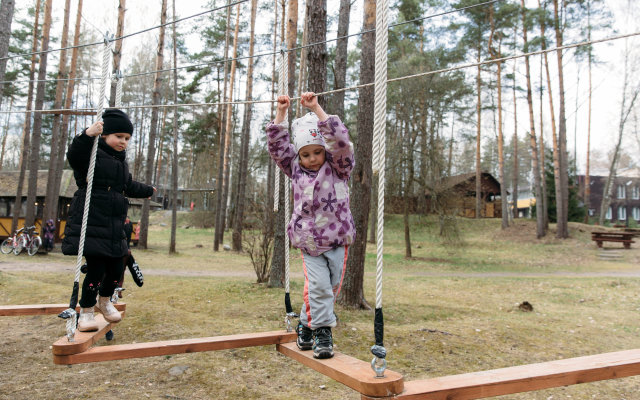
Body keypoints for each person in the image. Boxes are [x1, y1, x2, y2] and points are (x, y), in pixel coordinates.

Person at [265, 92, 355, 359]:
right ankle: (323, 332)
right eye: (305, 154)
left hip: (338, 240)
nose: (312, 158)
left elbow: (341, 143)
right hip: (310, 243)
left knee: (330, 289)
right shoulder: (295, 169)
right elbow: (278, 147)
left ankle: (305, 323)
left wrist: (317, 109)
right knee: (317, 287)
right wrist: (281, 114)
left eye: (317, 152)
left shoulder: (339, 167)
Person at [62, 109, 155, 332]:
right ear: (105, 135)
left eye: (127, 139)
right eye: (119, 137)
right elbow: (74, 155)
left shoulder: (120, 162)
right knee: (96, 270)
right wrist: (87, 134)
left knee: (116, 269)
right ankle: (85, 311)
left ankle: (104, 301)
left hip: (114, 224)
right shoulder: (91, 153)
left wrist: (147, 190)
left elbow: (127, 185)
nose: (123, 142)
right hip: (93, 220)